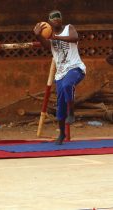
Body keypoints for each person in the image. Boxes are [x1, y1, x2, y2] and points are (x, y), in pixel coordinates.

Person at [33, 10, 86, 145]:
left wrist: (56, 37)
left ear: (61, 19)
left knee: (68, 85)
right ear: (50, 22)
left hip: (75, 68)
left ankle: (72, 113)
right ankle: (62, 133)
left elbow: (75, 38)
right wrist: (39, 36)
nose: (56, 20)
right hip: (60, 73)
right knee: (60, 104)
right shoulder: (49, 35)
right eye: (53, 19)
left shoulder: (69, 28)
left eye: (58, 18)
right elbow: (46, 47)